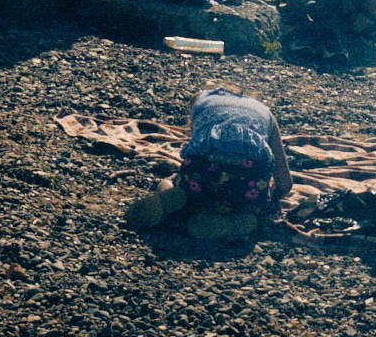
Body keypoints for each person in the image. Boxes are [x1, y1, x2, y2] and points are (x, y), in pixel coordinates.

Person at [126, 86, 294, 241]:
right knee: (253, 205)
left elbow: (196, 145)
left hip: (201, 173)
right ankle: (235, 221)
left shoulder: (201, 99)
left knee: (177, 183)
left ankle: (170, 196)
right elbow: (285, 183)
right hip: (246, 182)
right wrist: (270, 198)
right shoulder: (266, 113)